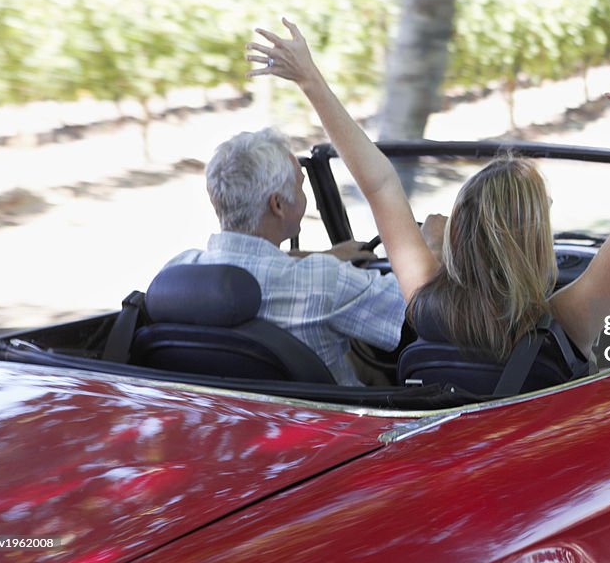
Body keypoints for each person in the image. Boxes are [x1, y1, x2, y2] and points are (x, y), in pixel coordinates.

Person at [247, 18, 610, 375]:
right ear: (535, 238)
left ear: (461, 229)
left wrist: (310, 81)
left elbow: (379, 185)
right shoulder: (566, 323)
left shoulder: (423, 302)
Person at [163, 127, 425, 386]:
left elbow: (247, 262)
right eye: (301, 184)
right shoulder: (325, 282)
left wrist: (319, 255)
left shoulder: (177, 276)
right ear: (278, 205)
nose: (304, 194)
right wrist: (433, 244)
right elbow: (420, 303)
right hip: (340, 424)